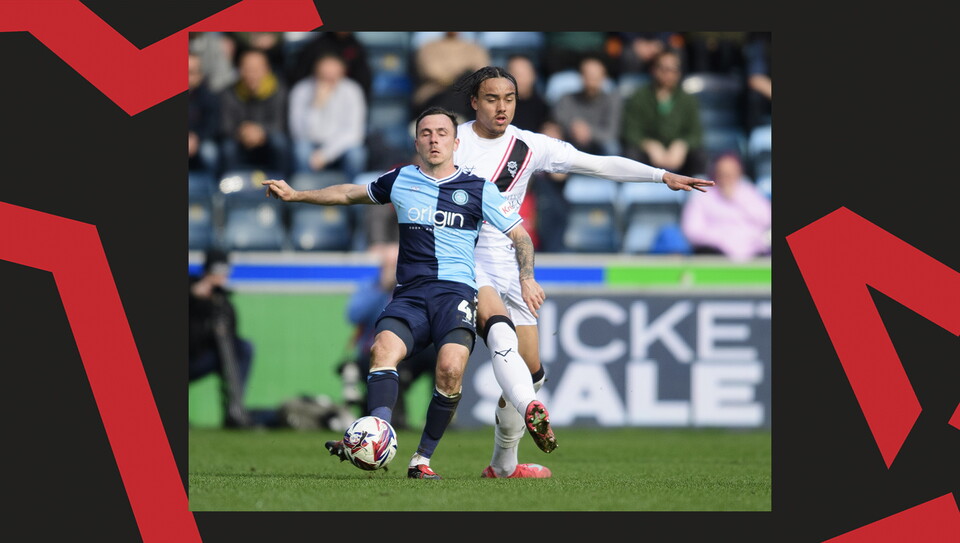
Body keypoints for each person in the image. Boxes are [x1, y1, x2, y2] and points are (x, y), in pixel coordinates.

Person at [451, 65, 714, 478]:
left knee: (532, 372)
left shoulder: (529, 146)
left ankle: (503, 465)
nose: (502, 108)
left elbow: (596, 164)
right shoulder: (453, 141)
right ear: (474, 101)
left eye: (509, 99)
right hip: (461, 256)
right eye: (491, 99)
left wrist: (660, 175)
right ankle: (443, 447)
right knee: (501, 339)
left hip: (509, 257)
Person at [262, 106, 548, 480]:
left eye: (442, 133)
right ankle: (377, 431)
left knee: (449, 369)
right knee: (382, 350)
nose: (434, 140)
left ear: (456, 142)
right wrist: (297, 195)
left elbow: (519, 235)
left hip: (456, 294)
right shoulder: (400, 179)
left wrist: (526, 277)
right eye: (426, 133)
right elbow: (350, 193)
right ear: (416, 142)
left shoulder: (479, 188)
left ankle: (421, 460)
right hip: (411, 295)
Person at [344, 243, 437, 430]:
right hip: (374, 349)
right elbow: (354, 315)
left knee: (438, 353)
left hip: (411, 350)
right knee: (382, 356)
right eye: (391, 265)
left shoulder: (416, 288)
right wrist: (383, 289)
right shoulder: (370, 288)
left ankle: (437, 418)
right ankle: (392, 420)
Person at [189, 249, 255, 428]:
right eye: (215, 272)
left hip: (205, 357)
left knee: (243, 348)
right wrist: (195, 296)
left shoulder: (224, 302)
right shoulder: (191, 289)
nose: (219, 277)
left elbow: (229, 340)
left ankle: (234, 409)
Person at [622, 48, 707, 178]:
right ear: (653, 70)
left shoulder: (687, 99)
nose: (668, 73)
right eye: (663, 68)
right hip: (649, 157)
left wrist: (682, 144)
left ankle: (695, 194)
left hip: (678, 156)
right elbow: (630, 131)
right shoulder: (639, 97)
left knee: (699, 155)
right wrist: (648, 145)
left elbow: (696, 133)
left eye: (673, 69)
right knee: (631, 154)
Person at [287, 51, 368, 182]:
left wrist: (326, 154)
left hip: (341, 146)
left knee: (357, 154)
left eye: (333, 75)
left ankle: (353, 199)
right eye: (324, 75)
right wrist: (316, 105)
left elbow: (355, 134)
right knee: (301, 151)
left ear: (342, 72)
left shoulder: (353, 90)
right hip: (311, 144)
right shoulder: (301, 90)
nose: (328, 79)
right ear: (316, 72)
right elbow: (299, 133)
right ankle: (305, 197)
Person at [680, 152, 771, 261]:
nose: (726, 178)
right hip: (715, 253)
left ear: (738, 173)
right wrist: (723, 240)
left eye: (730, 173)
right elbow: (692, 231)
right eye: (722, 173)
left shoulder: (750, 192)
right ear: (715, 173)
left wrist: (737, 200)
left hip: (753, 252)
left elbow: (766, 220)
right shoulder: (702, 196)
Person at [219, 48, 290, 175]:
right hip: (240, 139)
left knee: (280, 142)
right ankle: (229, 188)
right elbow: (225, 125)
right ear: (239, 69)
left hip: (267, 139)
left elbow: (280, 123)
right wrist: (243, 132)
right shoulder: (229, 92)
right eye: (247, 69)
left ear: (267, 69)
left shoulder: (279, 90)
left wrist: (261, 131)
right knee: (227, 147)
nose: (252, 74)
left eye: (257, 69)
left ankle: (282, 185)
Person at [552, 54, 623, 156]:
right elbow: (557, 120)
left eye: (595, 77)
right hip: (571, 142)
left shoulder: (612, 100)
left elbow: (611, 133)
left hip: (598, 146)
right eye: (588, 76)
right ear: (581, 76)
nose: (591, 81)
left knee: (612, 146)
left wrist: (588, 131)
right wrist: (573, 127)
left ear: (604, 77)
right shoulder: (567, 98)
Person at [411, 32, 491, 120]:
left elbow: (481, 71)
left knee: (468, 79)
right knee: (464, 79)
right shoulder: (429, 47)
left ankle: (449, 117)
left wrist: (456, 73)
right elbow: (431, 71)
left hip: (467, 93)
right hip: (435, 93)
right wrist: (459, 75)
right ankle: (451, 118)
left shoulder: (474, 47)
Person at [188, 52, 221, 177]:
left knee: (210, 151)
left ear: (200, 75)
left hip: (200, 141)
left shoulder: (209, 97)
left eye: (191, 72)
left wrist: (196, 138)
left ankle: (213, 192)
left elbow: (213, 125)